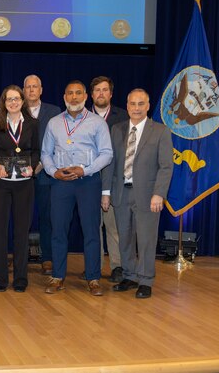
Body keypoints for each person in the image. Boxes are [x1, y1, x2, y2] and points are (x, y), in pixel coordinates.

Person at [41, 81, 112, 296]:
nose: (74, 97)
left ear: (85, 96)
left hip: (87, 182)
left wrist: (86, 170)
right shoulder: (54, 123)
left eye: (78, 93)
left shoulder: (97, 123)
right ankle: (58, 276)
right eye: (70, 93)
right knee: (58, 230)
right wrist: (54, 172)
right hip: (61, 182)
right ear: (64, 96)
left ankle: (93, 278)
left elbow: (107, 153)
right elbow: (45, 154)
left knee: (91, 231)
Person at [102, 89, 173, 299]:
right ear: (127, 105)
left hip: (148, 196)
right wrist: (106, 192)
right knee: (124, 237)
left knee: (146, 239)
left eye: (141, 104)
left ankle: (145, 280)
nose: (136, 108)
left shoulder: (160, 131)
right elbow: (110, 163)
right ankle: (130, 275)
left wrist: (159, 193)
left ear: (148, 106)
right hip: (121, 193)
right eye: (132, 104)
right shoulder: (117, 129)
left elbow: (166, 166)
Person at [0, 86, 40, 292]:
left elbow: (36, 151)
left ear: (22, 101)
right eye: (9, 99)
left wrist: (32, 167)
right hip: (1, 184)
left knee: (21, 233)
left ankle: (20, 279)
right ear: (4, 102)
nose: (13, 103)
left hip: (24, 185)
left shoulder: (33, 124)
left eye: (17, 99)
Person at [90, 76, 129, 283]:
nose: (101, 94)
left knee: (113, 227)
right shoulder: (83, 117)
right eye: (97, 90)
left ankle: (117, 266)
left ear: (111, 94)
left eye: (105, 90)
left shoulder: (123, 117)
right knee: (92, 227)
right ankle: (93, 267)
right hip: (88, 181)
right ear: (92, 94)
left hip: (114, 181)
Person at [23, 75, 61, 275]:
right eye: (28, 87)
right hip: (21, 173)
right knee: (22, 218)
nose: (31, 90)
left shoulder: (54, 111)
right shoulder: (15, 110)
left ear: (41, 90)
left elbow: (59, 141)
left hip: (46, 173)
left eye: (34, 87)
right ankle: (19, 257)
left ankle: (47, 258)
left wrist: (42, 164)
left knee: (47, 217)